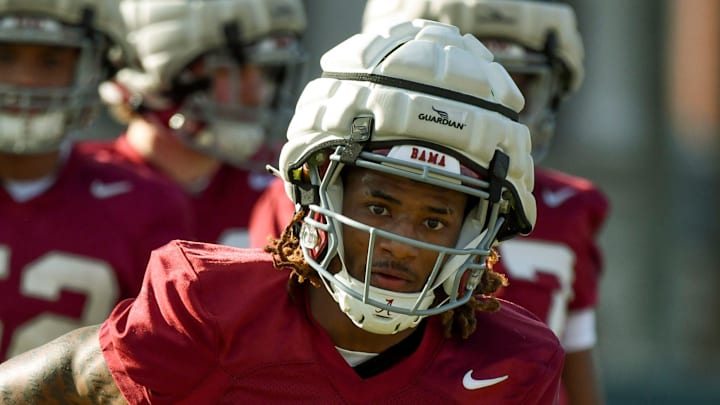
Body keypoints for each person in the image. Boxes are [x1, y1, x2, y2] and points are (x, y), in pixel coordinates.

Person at [0, 19, 565, 403]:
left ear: (481, 229)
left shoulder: (516, 363)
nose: (400, 239)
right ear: (318, 188)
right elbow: (73, 378)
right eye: (378, 204)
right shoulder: (210, 311)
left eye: (436, 220)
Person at [358, 1, 611, 405]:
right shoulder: (335, 190)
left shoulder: (569, 208)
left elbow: (576, 374)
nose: (500, 107)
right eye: (477, 82)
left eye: (521, 84)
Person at [0, 0, 194, 361]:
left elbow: (161, 367)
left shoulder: (146, 206)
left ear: (92, 68)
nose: (25, 79)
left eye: (51, 60)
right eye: (5, 56)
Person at [79, 0, 307, 246]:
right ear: (161, 82)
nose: (257, 93)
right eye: (228, 71)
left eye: (266, 72)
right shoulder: (76, 188)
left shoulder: (282, 194)